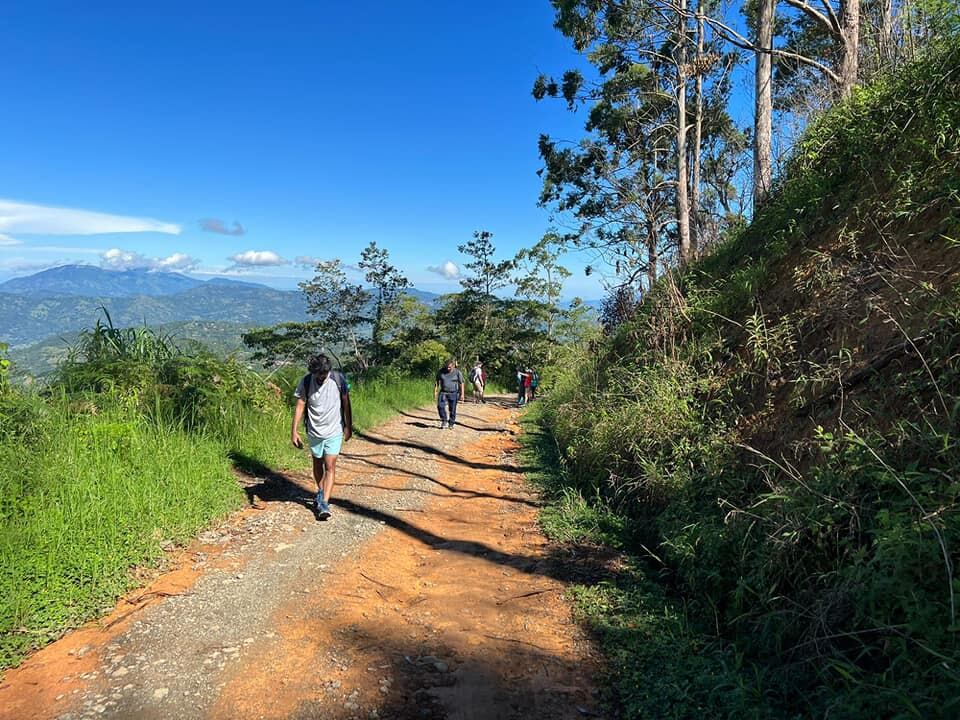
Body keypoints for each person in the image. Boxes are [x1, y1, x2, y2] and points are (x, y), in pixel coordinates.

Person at [291, 354, 352, 520]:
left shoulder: (338, 380)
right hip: (314, 431)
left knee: (330, 466)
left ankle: (324, 502)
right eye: (319, 374)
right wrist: (294, 431)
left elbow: (346, 403)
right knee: (317, 462)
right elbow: (300, 406)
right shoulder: (306, 382)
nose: (322, 377)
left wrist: (348, 426)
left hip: (334, 430)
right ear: (313, 372)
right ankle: (320, 491)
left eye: (324, 374)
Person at [434, 358, 465, 428]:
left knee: (452, 409)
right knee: (440, 406)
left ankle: (451, 423)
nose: (448, 368)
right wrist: (435, 391)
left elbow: (461, 383)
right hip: (443, 392)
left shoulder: (457, 372)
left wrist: (462, 394)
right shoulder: (441, 371)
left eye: (449, 367)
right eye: (447, 367)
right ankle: (444, 420)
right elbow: (437, 382)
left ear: (453, 366)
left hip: (453, 392)